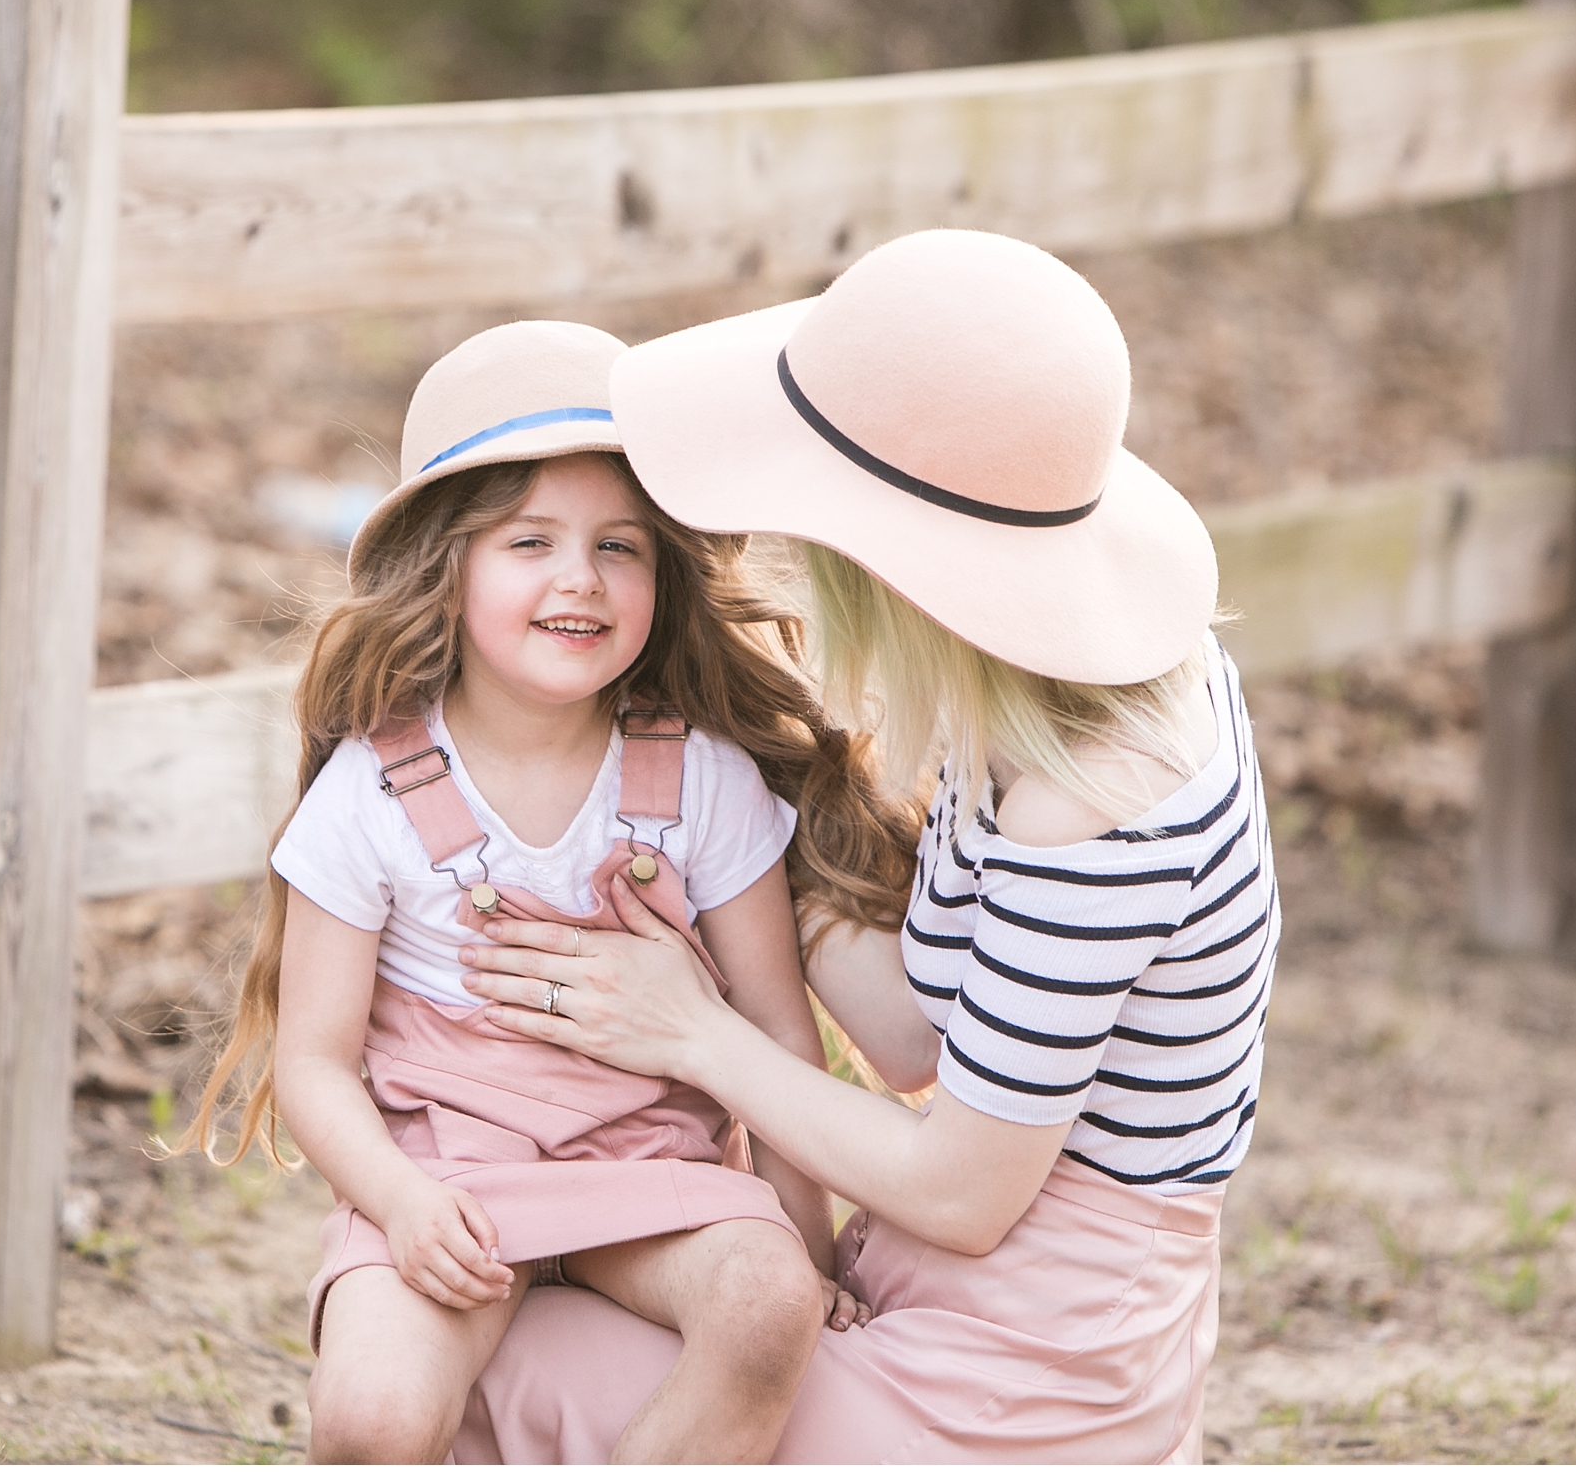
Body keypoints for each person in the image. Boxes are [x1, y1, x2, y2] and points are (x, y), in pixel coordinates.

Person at [452, 230, 1277, 1464]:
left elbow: (964, 1185)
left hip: (1019, 1381)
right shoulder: (1058, 685)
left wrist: (693, 1032)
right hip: (975, 1296)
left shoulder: (1091, 804)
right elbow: (914, 1040)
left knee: (501, 1357)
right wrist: (737, 808)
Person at [183, 321, 922, 1463]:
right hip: (445, 1179)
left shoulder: (701, 781)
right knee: (370, 1417)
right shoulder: (370, 794)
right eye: (530, 540)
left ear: (662, 579)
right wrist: (401, 1202)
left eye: (620, 546)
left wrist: (807, 1250)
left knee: (768, 1302)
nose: (580, 576)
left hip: (654, 1179)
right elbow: (315, 1062)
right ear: (450, 566)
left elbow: (777, 1029)